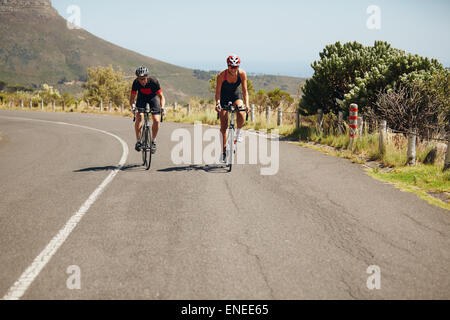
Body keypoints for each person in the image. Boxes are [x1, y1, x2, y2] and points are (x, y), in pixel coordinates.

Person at [215, 55, 251, 163]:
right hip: (224, 97)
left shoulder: (242, 74)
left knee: (240, 112)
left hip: (236, 94)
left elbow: (245, 91)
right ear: (228, 66)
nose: (233, 69)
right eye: (231, 67)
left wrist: (247, 105)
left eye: (236, 67)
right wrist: (217, 103)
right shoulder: (221, 75)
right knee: (223, 125)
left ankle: (239, 132)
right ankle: (224, 152)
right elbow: (217, 93)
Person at [130, 66, 165, 153]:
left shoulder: (153, 81)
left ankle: (153, 141)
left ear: (147, 77)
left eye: (143, 79)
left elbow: (161, 97)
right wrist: (133, 107)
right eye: (139, 79)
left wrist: (163, 107)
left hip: (153, 98)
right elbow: (132, 99)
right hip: (141, 99)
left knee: (156, 120)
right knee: (139, 116)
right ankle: (138, 141)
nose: (142, 81)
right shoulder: (136, 83)